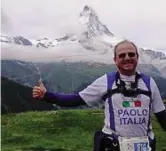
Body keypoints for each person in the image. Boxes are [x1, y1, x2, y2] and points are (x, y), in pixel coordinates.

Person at [32, 40, 166, 151]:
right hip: (113, 146)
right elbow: (76, 99)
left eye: (131, 54)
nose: (127, 58)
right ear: (115, 60)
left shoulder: (149, 83)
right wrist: (46, 96)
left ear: (137, 57)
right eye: (122, 55)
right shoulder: (106, 81)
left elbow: (162, 116)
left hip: (145, 146)